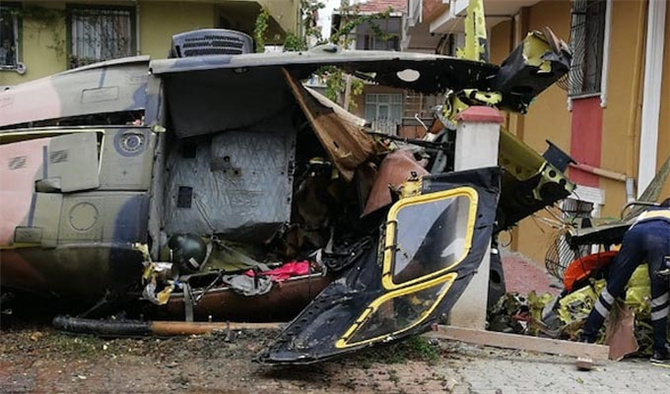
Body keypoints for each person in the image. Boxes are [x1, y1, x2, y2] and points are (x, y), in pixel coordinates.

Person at [581, 197, 670, 363]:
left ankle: (587, 337)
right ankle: (659, 351)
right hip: (663, 238)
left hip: (634, 235)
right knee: (660, 295)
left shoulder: (647, 212)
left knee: (611, 289)